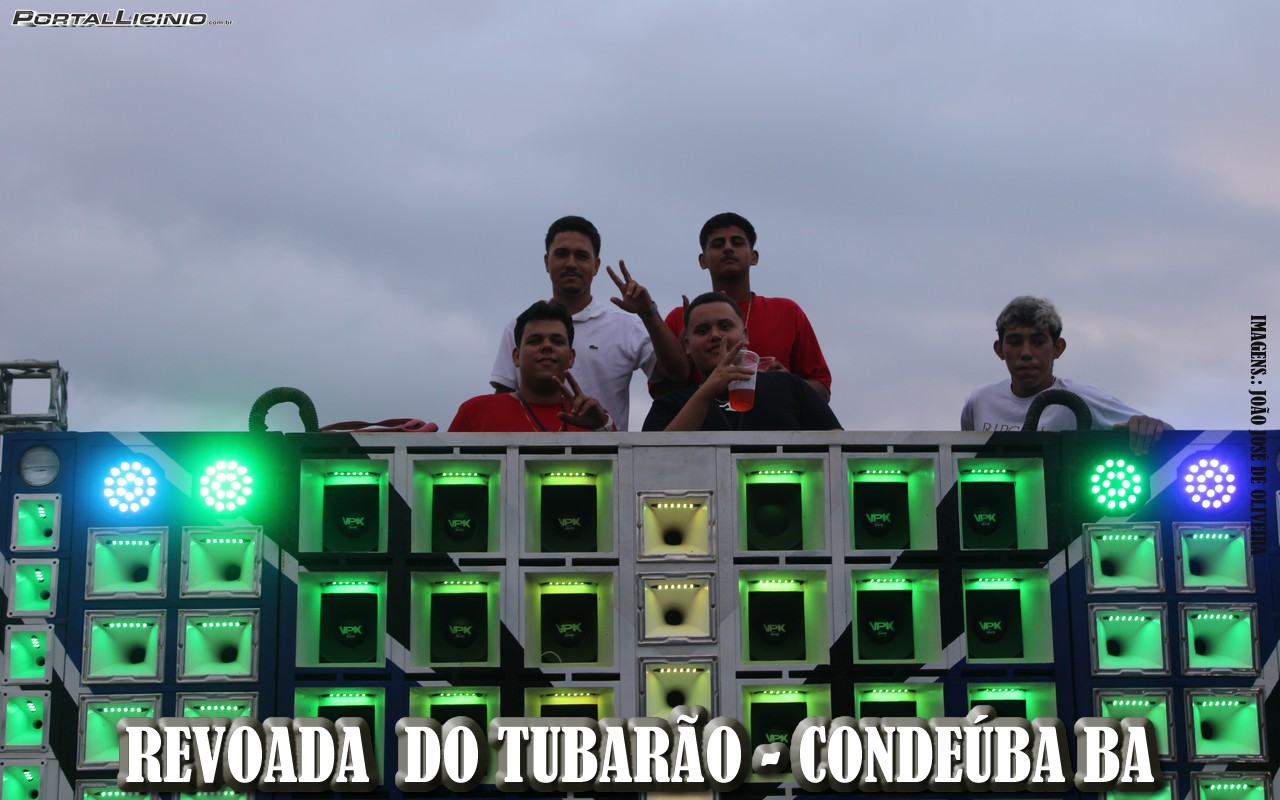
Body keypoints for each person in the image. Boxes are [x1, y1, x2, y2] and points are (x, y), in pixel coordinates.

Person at [488, 216, 688, 430]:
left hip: (607, 449)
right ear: (547, 262)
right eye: (561, 254)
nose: (571, 263)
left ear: (596, 265)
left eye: (581, 256)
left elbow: (678, 373)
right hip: (530, 449)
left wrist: (648, 313)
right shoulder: (520, 327)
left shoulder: (626, 326)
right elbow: (503, 401)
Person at [655, 212, 832, 402]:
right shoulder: (681, 318)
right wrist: (687, 354)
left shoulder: (787, 312)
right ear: (703, 260)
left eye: (737, 243)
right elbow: (659, 393)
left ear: (754, 257)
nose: (728, 248)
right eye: (718, 244)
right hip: (704, 421)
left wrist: (787, 383)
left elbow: (822, 391)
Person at [960, 296, 1170, 454]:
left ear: (1058, 348)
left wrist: (1150, 426)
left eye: (1038, 342)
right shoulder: (979, 401)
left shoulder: (1082, 397)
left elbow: (1170, 435)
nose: (1026, 353)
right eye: (1015, 342)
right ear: (999, 350)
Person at [643, 292, 841, 432]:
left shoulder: (788, 386)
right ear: (687, 344)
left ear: (745, 335)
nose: (715, 335)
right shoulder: (670, 405)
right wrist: (708, 391)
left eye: (725, 326)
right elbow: (650, 460)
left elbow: (840, 446)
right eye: (702, 330)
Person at [452, 301, 614, 433]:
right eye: (535, 341)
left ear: (571, 358)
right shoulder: (476, 412)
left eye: (557, 341)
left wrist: (602, 428)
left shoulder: (594, 417)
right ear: (516, 356)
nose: (547, 346)